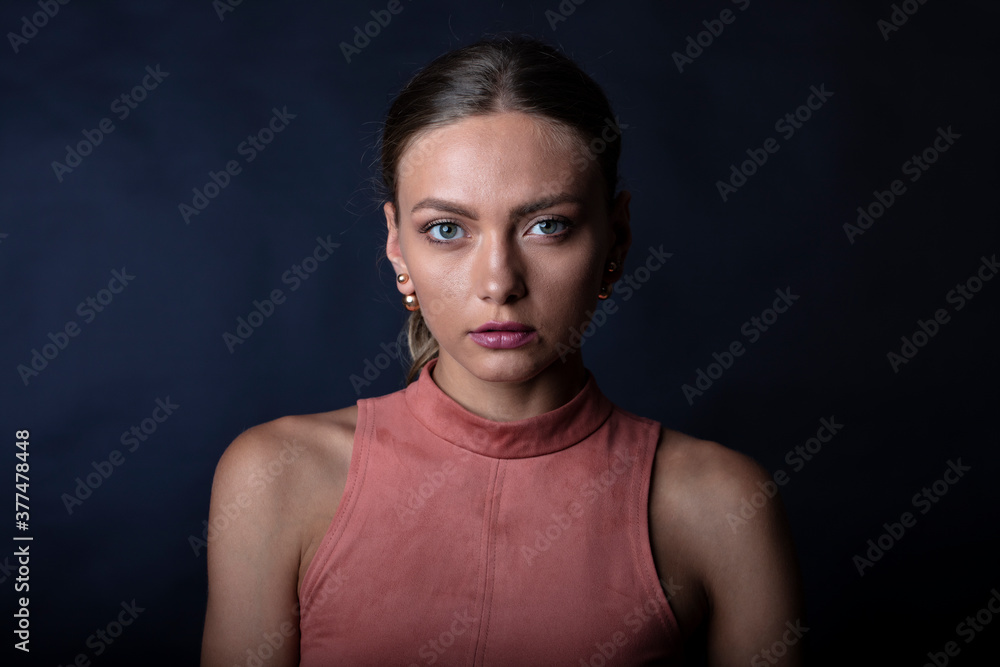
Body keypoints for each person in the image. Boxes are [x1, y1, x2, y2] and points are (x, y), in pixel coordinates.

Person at [200, 33, 803, 666]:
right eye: (446, 230)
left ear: (616, 239)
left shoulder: (719, 502)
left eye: (547, 226)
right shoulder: (276, 477)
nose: (499, 283)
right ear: (397, 248)